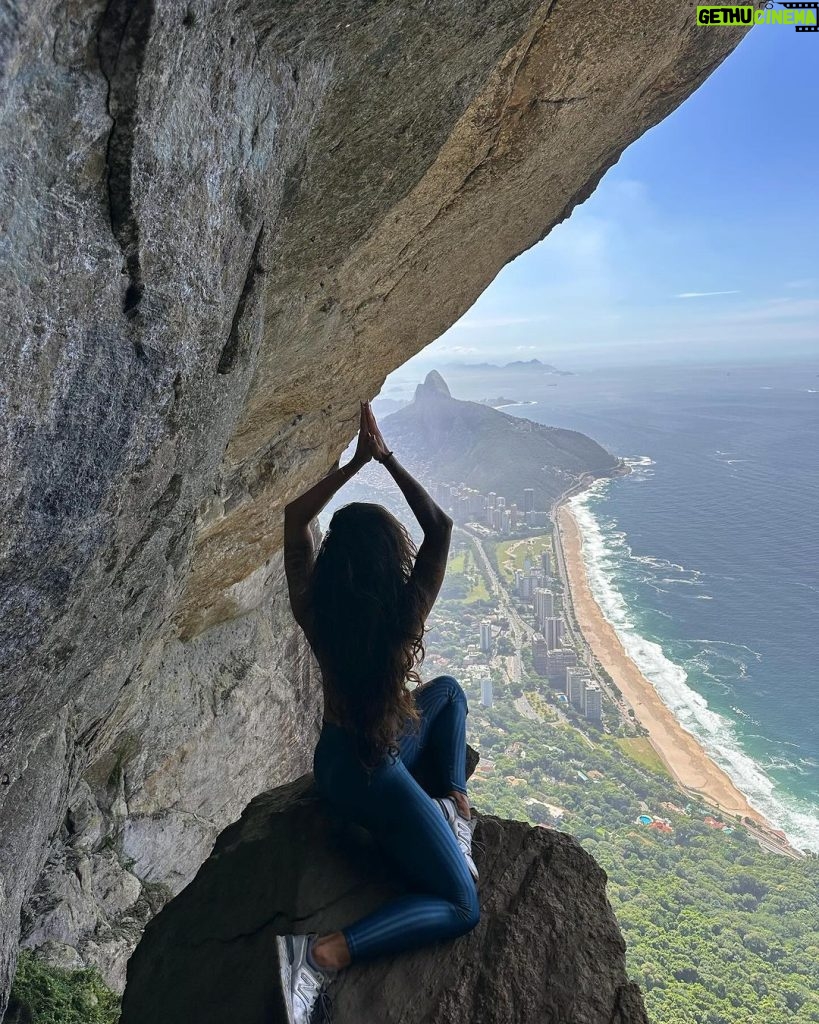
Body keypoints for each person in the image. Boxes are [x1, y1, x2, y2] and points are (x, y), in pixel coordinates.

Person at [274, 401, 480, 1023]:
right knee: (462, 904)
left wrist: (352, 467)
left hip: (335, 765)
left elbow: (292, 520)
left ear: (336, 563)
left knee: (446, 692)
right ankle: (321, 956)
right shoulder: (402, 615)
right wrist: (384, 459)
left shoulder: (317, 609)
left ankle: (454, 805)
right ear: (393, 563)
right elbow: (440, 529)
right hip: (378, 780)